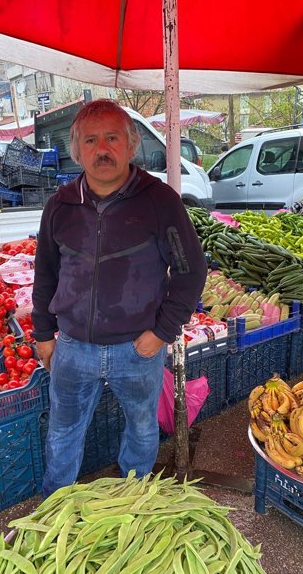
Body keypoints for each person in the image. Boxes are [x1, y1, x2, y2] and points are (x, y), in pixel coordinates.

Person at [32, 99, 207, 496]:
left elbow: (190, 271)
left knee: (142, 427)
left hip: (137, 347)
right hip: (73, 347)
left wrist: (162, 332)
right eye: (90, 140)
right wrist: (44, 333)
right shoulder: (59, 206)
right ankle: (54, 505)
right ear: (77, 151)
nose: (102, 149)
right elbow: (45, 273)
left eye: (112, 138)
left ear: (131, 146)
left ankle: (132, 502)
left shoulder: (160, 201)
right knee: (63, 431)